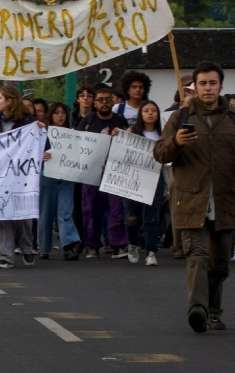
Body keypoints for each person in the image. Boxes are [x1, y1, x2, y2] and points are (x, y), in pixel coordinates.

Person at [154, 61, 235, 332]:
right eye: (203, 83)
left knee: (221, 263)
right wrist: (176, 142)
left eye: (213, 83)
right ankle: (197, 310)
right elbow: (159, 153)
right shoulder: (180, 117)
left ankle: (213, 310)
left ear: (221, 86)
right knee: (198, 255)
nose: (208, 88)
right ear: (195, 86)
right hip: (191, 199)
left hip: (225, 198)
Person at [0, 84, 38, 268]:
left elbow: (41, 145)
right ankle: (5, 256)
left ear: (10, 100)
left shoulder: (29, 121)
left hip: (21, 177)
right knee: (3, 215)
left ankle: (27, 247)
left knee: (22, 217)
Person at [77, 83, 130, 259]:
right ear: (95, 103)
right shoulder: (88, 121)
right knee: (91, 211)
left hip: (115, 172)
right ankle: (92, 246)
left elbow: (130, 144)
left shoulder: (120, 120)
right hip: (92, 173)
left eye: (108, 99)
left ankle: (118, 245)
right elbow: (77, 145)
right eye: (100, 100)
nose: (104, 103)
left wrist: (123, 134)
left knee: (116, 210)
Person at [124, 101, 167, 266]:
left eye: (154, 110)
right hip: (133, 178)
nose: (150, 113)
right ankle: (133, 244)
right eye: (146, 110)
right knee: (132, 217)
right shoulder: (132, 133)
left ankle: (151, 252)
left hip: (155, 178)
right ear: (141, 114)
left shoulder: (163, 135)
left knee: (152, 217)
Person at [38, 102, 81, 261]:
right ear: (51, 115)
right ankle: (44, 247)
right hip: (47, 175)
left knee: (65, 211)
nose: (60, 116)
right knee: (46, 213)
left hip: (66, 177)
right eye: (56, 112)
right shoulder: (43, 133)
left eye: (63, 112)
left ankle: (68, 245)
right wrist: (40, 157)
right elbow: (32, 153)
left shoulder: (73, 134)